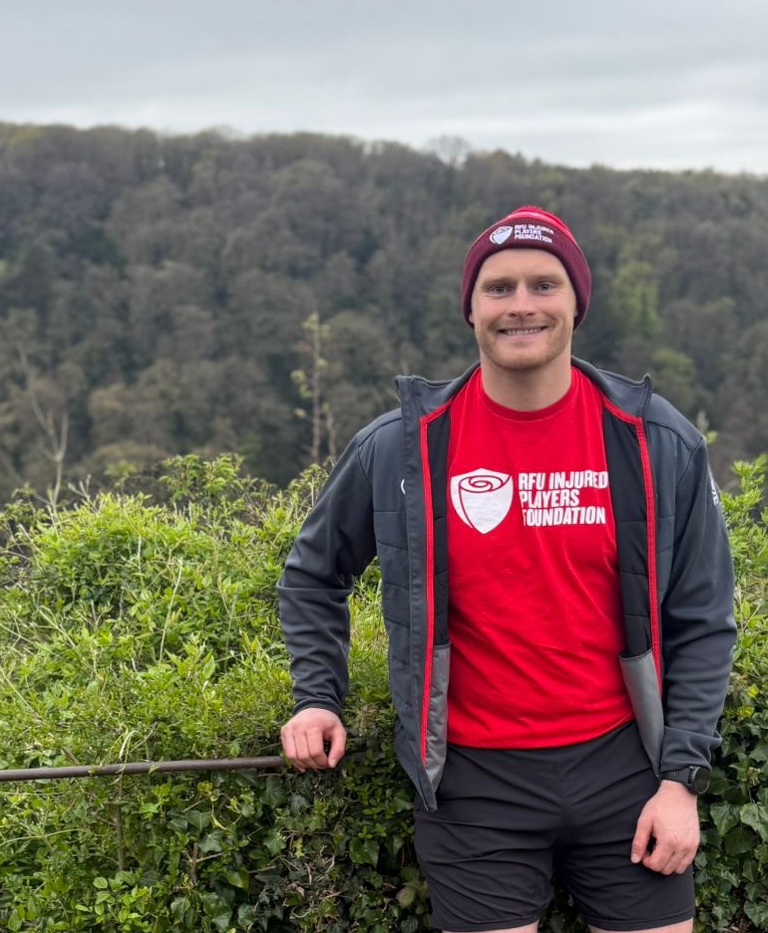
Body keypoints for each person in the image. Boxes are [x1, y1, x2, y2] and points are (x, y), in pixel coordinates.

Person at [278, 205, 736, 933]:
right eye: (499, 288)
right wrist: (316, 696)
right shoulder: (403, 447)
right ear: (471, 309)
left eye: (543, 284)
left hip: (627, 774)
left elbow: (704, 619)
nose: (521, 303)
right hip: (473, 785)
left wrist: (682, 780)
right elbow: (313, 574)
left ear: (576, 303)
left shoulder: (655, 442)